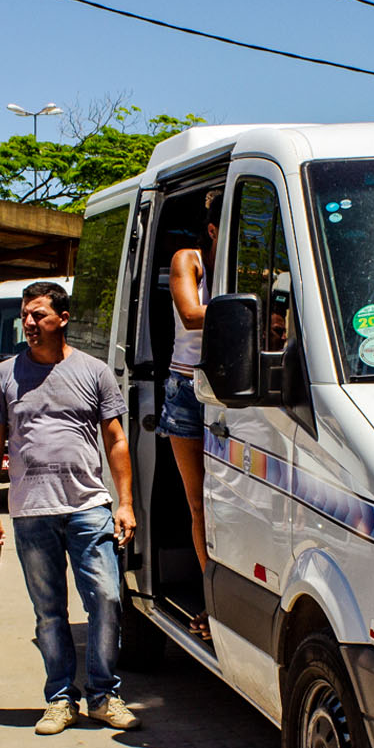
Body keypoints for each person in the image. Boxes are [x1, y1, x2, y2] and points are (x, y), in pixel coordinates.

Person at [0, 282, 140, 735]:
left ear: (62, 318)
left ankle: (104, 694)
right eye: (26, 316)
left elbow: (116, 439)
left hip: (89, 507)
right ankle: (61, 699)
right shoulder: (4, 375)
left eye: (39, 315)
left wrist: (124, 503)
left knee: (106, 599)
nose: (29, 324)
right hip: (32, 512)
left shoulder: (93, 372)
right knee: (49, 612)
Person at [162, 188, 217, 638]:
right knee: (199, 502)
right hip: (188, 389)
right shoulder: (189, 259)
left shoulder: (250, 264)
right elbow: (191, 313)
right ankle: (210, 598)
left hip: (235, 389)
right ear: (214, 229)